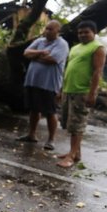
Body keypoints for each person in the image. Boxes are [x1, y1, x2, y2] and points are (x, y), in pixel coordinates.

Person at [56, 21, 107, 168]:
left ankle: (71, 156)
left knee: (77, 125)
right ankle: (76, 153)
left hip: (82, 92)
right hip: (68, 90)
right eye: (80, 33)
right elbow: (68, 69)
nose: (83, 35)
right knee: (69, 123)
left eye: (86, 32)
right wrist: (61, 90)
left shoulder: (98, 48)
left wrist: (92, 94)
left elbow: (98, 72)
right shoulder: (75, 48)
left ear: (94, 33)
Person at [17, 20, 69, 150]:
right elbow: (26, 53)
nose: (47, 31)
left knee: (50, 111)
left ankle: (51, 139)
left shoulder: (62, 44)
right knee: (34, 109)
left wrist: (34, 56)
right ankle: (31, 134)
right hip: (33, 81)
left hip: (49, 84)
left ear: (58, 31)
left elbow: (52, 59)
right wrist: (40, 53)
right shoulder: (40, 41)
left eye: (51, 29)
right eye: (46, 28)